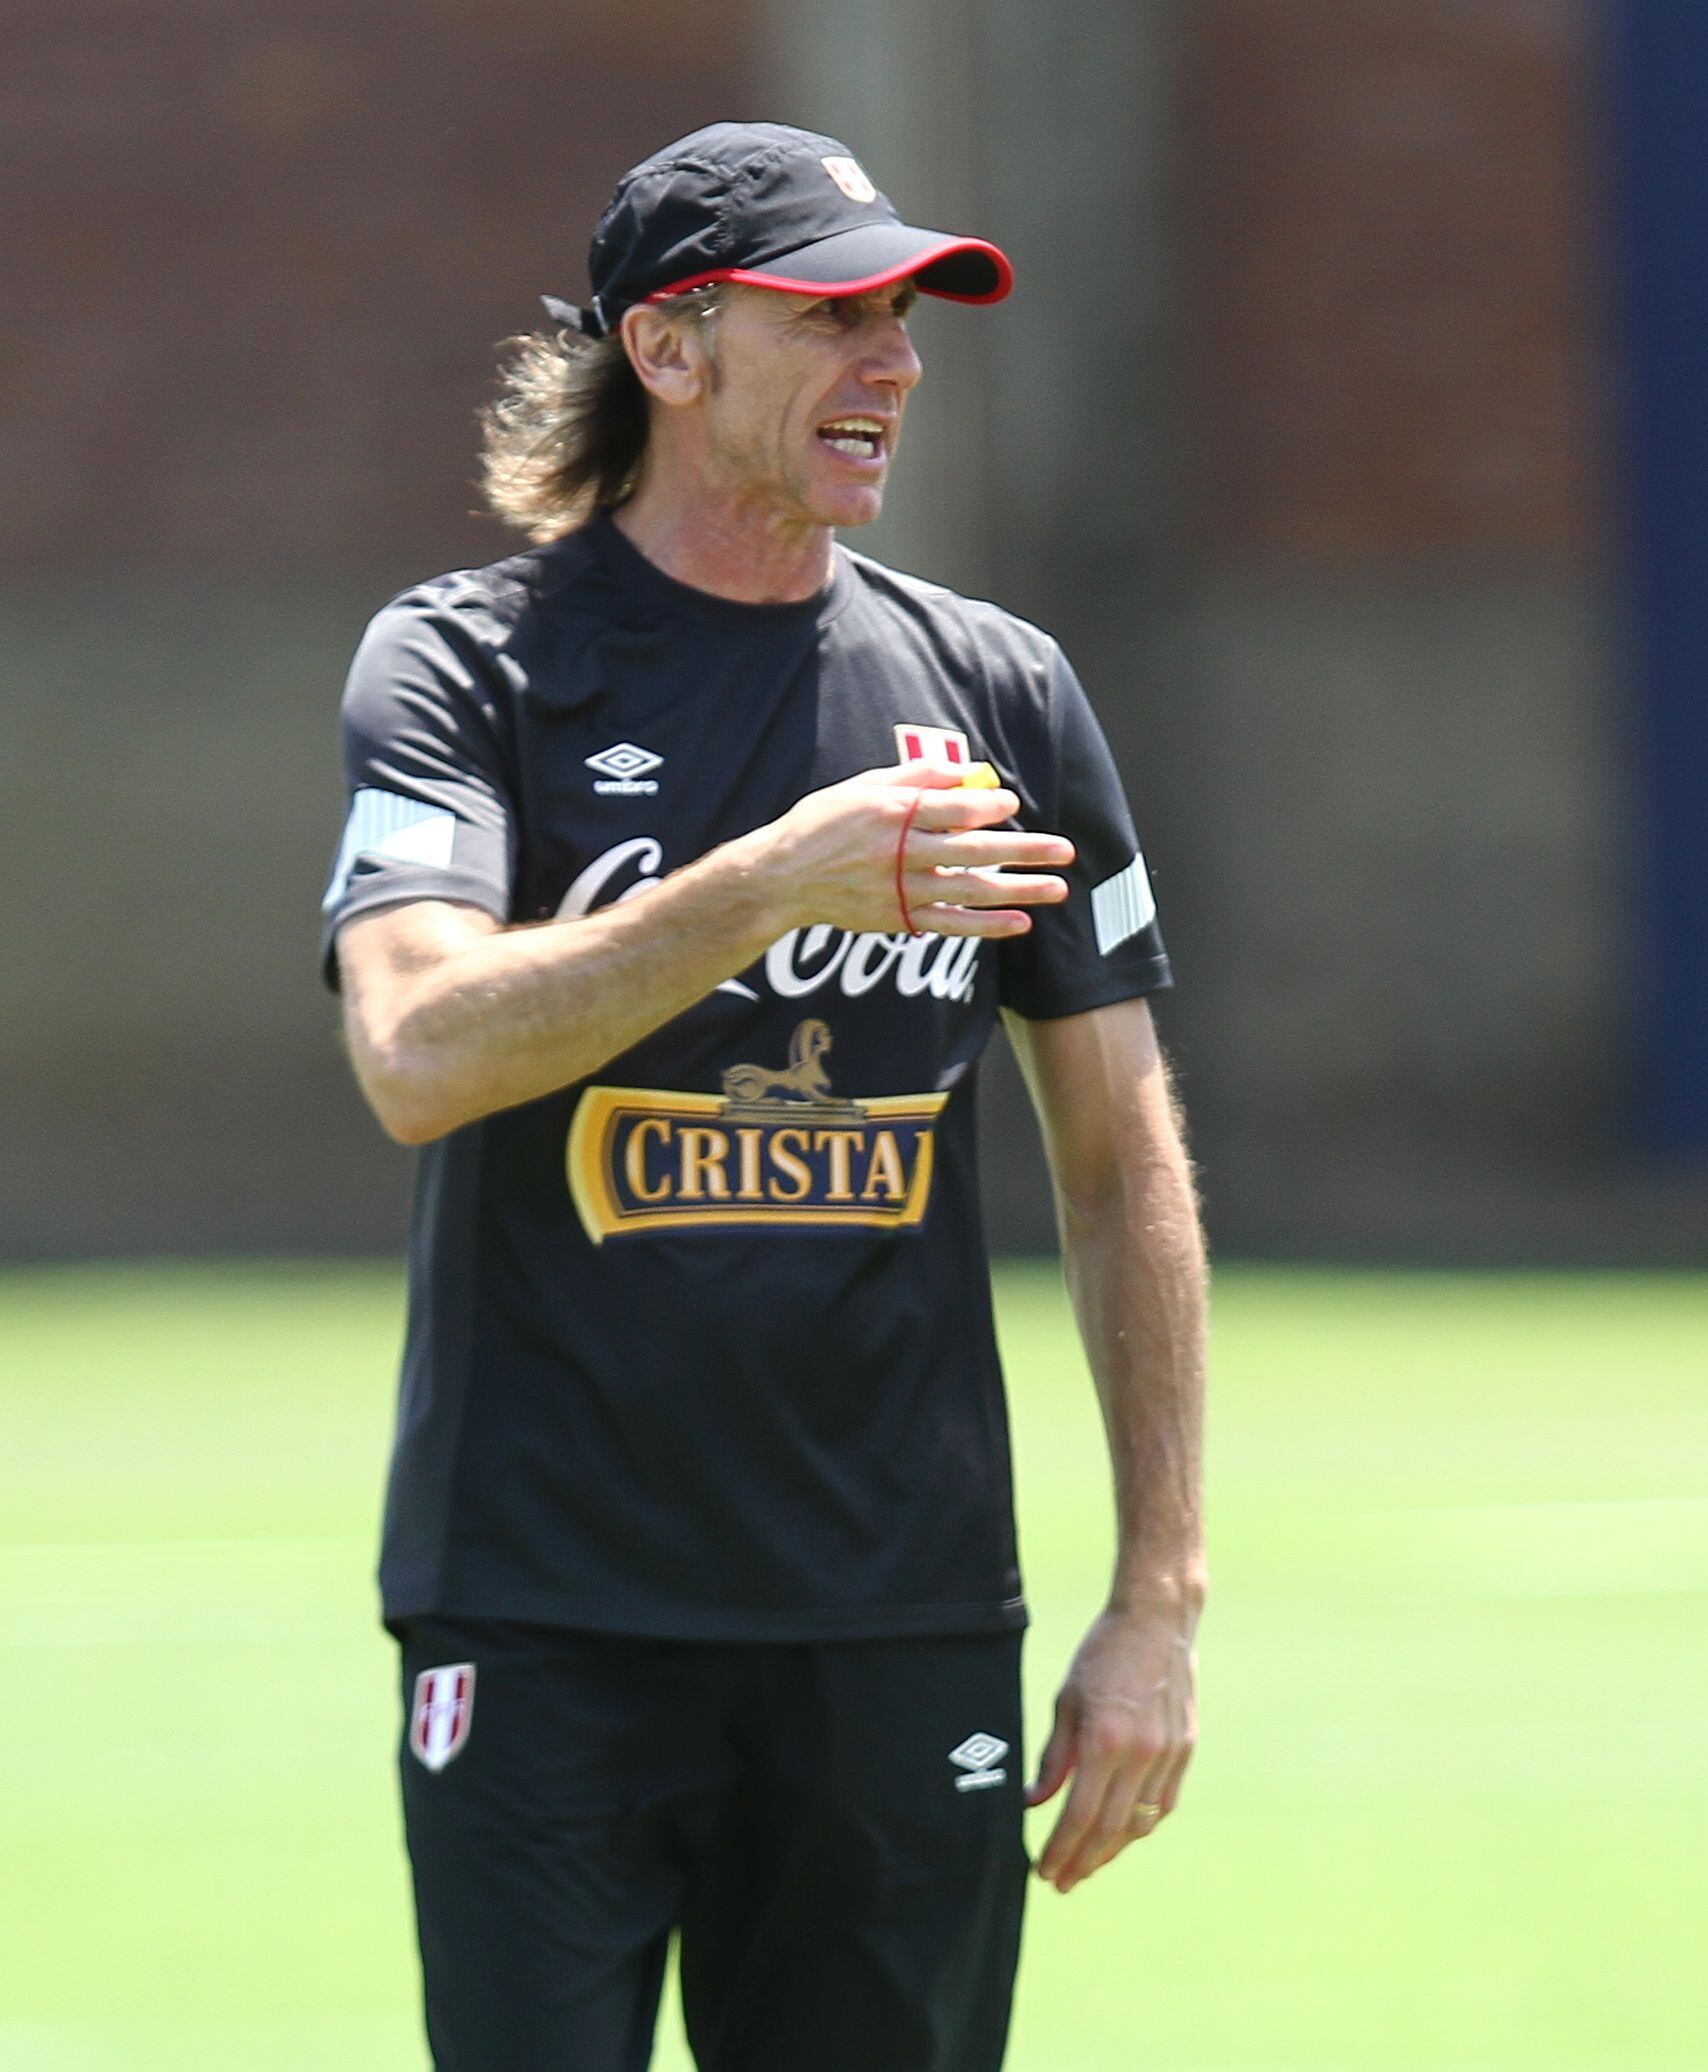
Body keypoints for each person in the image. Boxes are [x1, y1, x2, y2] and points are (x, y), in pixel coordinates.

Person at [320, 122, 1207, 2071]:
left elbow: (1119, 1146)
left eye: (903, 315)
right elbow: (414, 1049)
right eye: (833, 314)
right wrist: (771, 885)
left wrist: (1158, 1595)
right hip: (541, 1611)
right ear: (670, 347)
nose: (891, 359)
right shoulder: (469, 665)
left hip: (898, 1620)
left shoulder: (1000, 689)